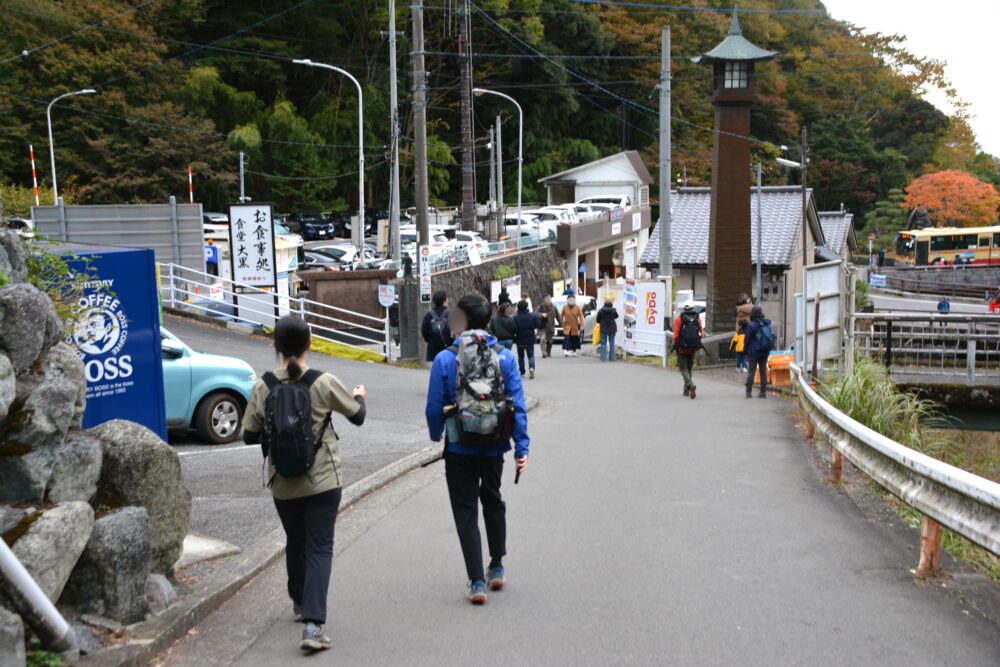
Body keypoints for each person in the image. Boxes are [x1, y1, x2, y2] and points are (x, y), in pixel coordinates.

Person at [242, 316, 367, 653]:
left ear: (275, 346)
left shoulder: (263, 385)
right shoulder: (323, 382)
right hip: (324, 479)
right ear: (309, 344)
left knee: (295, 540)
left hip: (283, 482)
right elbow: (357, 416)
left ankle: (299, 603)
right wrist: (359, 394)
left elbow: (248, 435)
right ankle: (313, 625)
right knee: (319, 546)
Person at [425, 294, 530, 605]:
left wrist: (437, 434)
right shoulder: (505, 357)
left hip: (459, 446)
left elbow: (434, 406)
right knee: (493, 500)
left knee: (466, 510)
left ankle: (476, 582)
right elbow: (517, 405)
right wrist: (521, 447)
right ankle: (496, 566)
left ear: (464, 321)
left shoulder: (446, 359)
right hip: (495, 444)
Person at [672, 300, 703, 398]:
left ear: (684, 309)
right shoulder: (697, 319)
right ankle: (686, 390)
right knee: (689, 368)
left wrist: (676, 344)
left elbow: (676, 335)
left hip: (682, 347)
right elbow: (701, 333)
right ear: (693, 308)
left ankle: (690, 385)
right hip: (693, 347)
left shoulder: (678, 319)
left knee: (683, 368)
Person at [744, 305, 773, 399]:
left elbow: (747, 339)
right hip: (764, 351)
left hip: (754, 351)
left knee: (751, 372)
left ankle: (748, 392)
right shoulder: (766, 323)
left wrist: (745, 350)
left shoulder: (752, 325)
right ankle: (763, 392)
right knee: (763, 371)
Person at [513, 300, 542, 379]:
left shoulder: (515, 317)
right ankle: (531, 368)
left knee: (521, 356)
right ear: (527, 307)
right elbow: (538, 324)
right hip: (530, 338)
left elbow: (513, 328)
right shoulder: (532, 316)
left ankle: (522, 371)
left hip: (519, 339)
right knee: (531, 355)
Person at [421, 290, 451, 362]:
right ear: (444, 301)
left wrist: (430, 339)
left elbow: (424, 330)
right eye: (447, 299)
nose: (448, 301)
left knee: (435, 369)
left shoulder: (429, 315)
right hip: (447, 347)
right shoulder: (450, 314)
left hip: (433, 348)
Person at [560, 293, 585, 357]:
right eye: (570, 299)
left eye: (573, 299)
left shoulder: (577, 307)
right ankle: (566, 350)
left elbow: (581, 316)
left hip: (575, 326)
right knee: (567, 338)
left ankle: (574, 350)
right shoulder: (565, 307)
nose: (571, 301)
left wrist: (582, 325)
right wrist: (562, 324)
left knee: (574, 338)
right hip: (567, 325)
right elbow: (561, 315)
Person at [735, 294, 753, 373]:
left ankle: (739, 367)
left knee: (739, 352)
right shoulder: (749, 307)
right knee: (747, 349)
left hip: (739, 331)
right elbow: (753, 308)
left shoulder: (737, 309)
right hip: (748, 331)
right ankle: (746, 365)